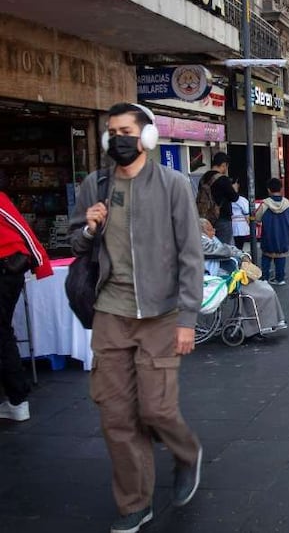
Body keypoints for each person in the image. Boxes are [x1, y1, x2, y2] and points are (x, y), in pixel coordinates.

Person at [69, 102, 203, 533]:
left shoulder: (172, 185)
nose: (118, 139)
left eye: (126, 130)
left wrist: (187, 318)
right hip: (111, 312)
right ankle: (134, 502)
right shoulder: (96, 184)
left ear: (146, 137)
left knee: (157, 410)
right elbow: (76, 245)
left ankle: (187, 453)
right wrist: (89, 228)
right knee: (116, 414)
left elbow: (190, 255)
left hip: (161, 314)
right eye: (112, 132)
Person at [0, 191, 53, 422]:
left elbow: (21, 228)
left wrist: (41, 262)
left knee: (1, 334)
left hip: (5, 270)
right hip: (8, 271)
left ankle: (17, 399)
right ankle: (16, 398)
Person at [199, 219, 286, 336]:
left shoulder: (208, 239)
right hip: (216, 276)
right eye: (210, 229)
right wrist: (239, 254)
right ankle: (260, 325)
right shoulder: (200, 241)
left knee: (262, 287)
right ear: (202, 231)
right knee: (260, 291)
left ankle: (268, 322)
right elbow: (223, 250)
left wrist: (241, 255)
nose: (214, 232)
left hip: (226, 273)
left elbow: (227, 248)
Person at [255, 178, 289, 286]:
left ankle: (265, 278)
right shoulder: (287, 203)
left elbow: (257, 218)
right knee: (281, 256)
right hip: (283, 235)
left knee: (266, 256)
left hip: (268, 235)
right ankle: (280, 278)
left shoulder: (265, 204)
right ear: (281, 189)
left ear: (268, 190)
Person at [198, 152, 239, 244]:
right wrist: (235, 189)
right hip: (222, 218)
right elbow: (234, 198)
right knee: (224, 248)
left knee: (209, 245)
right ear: (224, 165)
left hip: (206, 218)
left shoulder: (203, 178)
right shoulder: (223, 179)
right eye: (226, 166)